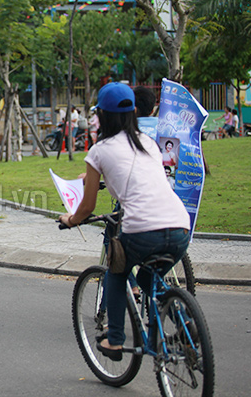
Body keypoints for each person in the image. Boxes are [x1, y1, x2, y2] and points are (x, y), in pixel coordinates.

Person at [59, 82, 190, 361]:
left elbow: (88, 205)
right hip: (180, 227)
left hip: (142, 231)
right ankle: (183, 322)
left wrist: (71, 219)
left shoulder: (99, 151)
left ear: (102, 116)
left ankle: (115, 341)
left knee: (116, 273)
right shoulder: (149, 144)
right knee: (147, 276)